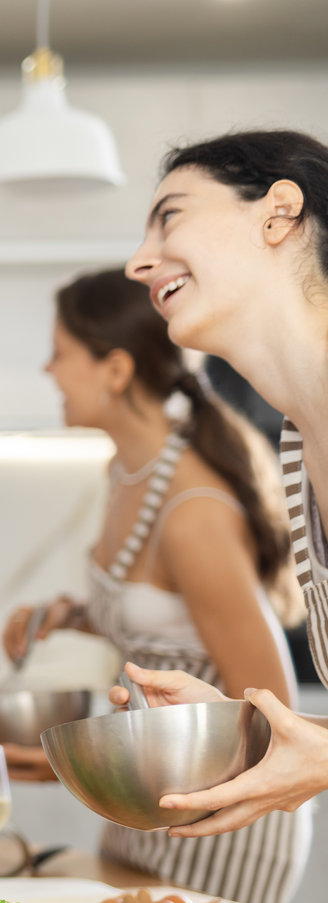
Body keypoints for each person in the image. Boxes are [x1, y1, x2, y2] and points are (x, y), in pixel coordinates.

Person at [0, 267, 307, 903]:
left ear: (114, 370)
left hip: (224, 813)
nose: (47, 370)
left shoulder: (193, 508)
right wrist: (76, 615)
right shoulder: (126, 470)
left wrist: (79, 764)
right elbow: (168, 615)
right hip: (151, 795)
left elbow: (272, 701)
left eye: (60, 353)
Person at [121, 129, 328, 837]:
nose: (138, 261)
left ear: (278, 214)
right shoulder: (301, 438)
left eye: (170, 215)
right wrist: (241, 729)